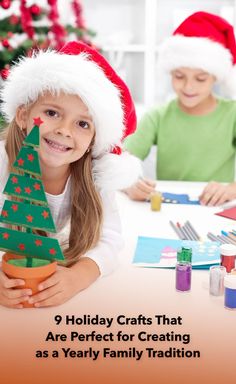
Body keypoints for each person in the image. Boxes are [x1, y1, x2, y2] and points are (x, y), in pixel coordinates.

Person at [0, 41, 141, 309]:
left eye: (82, 123)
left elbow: (111, 238)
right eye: (52, 113)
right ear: (23, 115)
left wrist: (80, 276)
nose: (64, 130)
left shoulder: (94, 176)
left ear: (93, 140)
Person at [124, 11, 236, 206]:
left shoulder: (232, 115)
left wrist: (232, 188)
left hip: (214, 210)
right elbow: (121, 161)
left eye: (200, 78)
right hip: (167, 210)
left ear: (216, 77)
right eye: (179, 76)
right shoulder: (158, 116)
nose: (188, 87)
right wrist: (128, 184)